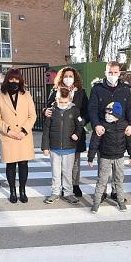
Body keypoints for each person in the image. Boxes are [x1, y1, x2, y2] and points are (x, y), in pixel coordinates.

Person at [88, 61, 131, 202]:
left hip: (120, 130)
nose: (113, 75)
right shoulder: (97, 89)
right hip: (104, 130)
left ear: (119, 73)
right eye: (110, 72)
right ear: (105, 73)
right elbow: (93, 109)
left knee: (118, 167)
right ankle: (102, 192)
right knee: (103, 165)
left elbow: (130, 109)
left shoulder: (125, 89)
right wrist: (95, 125)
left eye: (115, 72)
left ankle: (116, 192)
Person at [0, 68, 37, 204]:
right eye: (11, 79)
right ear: (7, 80)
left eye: (16, 79)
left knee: (23, 164)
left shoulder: (27, 95)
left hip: (24, 136)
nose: (14, 82)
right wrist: (9, 131)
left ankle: (22, 190)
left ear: (20, 80)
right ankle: (12, 191)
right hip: (8, 136)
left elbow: (32, 115)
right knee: (10, 165)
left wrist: (23, 131)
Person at [44, 67, 89, 197]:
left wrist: (81, 124)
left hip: (76, 134)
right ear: (61, 77)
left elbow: (87, 111)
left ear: (75, 78)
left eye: (71, 76)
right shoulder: (55, 91)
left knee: (74, 162)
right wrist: (44, 111)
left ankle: (74, 185)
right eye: (66, 76)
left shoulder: (81, 92)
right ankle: (62, 186)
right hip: (59, 134)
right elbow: (47, 107)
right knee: (60, 164)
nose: (68, 78)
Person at [88, 102, 131, 213]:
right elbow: (95, 141)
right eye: (106, 112)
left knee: (119, 180)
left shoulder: (124, 125)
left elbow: (129, 141)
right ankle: (96, 202)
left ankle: (121, 201)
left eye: (110, 113)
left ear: (117, 115)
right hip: (105, 157)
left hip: (119, 157)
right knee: (102, 180)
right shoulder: (102, 125)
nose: (107, 115)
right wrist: (91, 157)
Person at [42, 87, 84, 205]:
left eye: (66, 102)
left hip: (69, 148)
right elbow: (46, 129)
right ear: (56, 99)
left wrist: (77, 134)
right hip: (54, 148)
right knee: (55, 172)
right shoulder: (51, 111)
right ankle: (55, 192)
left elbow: (79, 125)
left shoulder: (74, 110)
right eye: (61, 102)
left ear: (70, 99)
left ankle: (68, 193)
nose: (63, 104)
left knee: (67, 172)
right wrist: (45, 147)